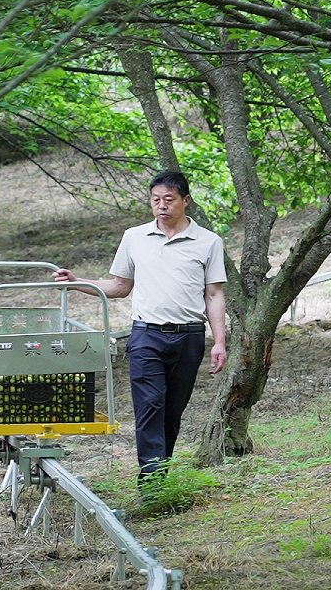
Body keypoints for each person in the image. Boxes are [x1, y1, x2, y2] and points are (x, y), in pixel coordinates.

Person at [54, 171, 227, 484]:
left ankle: (161, 477)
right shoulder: (134, 237)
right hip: (146, 335)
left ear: (186, 201)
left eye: (169, 199)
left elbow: (214, 294)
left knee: (171, 412)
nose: (161, 206)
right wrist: (77, 282)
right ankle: (151, 485)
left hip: (189, 337)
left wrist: (219, 342)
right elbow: (120, 286)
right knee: (150, 406)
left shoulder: (208, 242)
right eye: (155, 199)